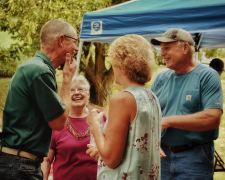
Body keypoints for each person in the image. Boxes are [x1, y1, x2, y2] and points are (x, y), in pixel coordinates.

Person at [0, 19, 78, 179]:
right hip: (20, 166)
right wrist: (68, 78)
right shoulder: (40, 71)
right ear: (61, 40)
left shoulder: (33, 67)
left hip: (17, 163)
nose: (77, 48)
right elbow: (59, 123)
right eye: (75, 41)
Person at [150, 28, 223, 180]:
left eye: (167, 48)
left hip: (195, 157)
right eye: (161, 49)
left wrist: (168, 121)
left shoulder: (207, 76)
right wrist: (154, 141)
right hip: (162, 155)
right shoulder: (160, 79)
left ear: (184, 48)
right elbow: (150, 116)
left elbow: (213, 118)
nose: (162, 53)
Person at [86, 34, 162, 180]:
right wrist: (101, 150)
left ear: (120, 64)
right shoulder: (151, 96)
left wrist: (95, 125)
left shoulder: (122, 99)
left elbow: (111, 159)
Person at [42, 75, 107, 180]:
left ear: (88, 94)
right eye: (72, 90)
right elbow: (47, 160)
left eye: (81, 89)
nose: (77, 93)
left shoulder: (100, 116)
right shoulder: (57, 122)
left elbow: (111, 151)